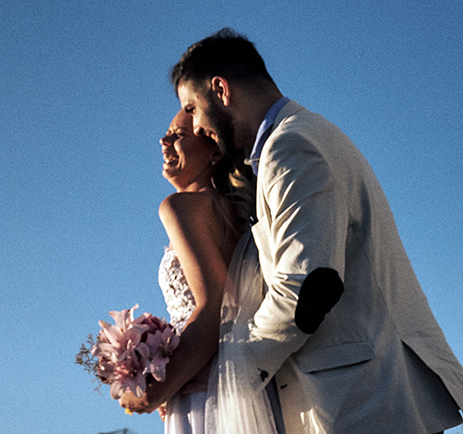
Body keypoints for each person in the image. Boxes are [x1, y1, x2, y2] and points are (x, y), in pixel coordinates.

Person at [170, 28, 463, 434]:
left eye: (192, 107)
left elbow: (306, 286)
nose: (196, 125)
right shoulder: (303, 134)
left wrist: (231, 370)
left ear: (221, 90)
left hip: (367, 401)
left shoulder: (291, 146)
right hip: (370, 396)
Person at [119, 110, 255, 432]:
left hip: (202, 393)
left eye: (178, 135)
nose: (163, 141)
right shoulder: (240, 217)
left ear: (214, 150)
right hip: (239, 382)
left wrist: (156, 391)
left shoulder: (179, 207)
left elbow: (214, 307)